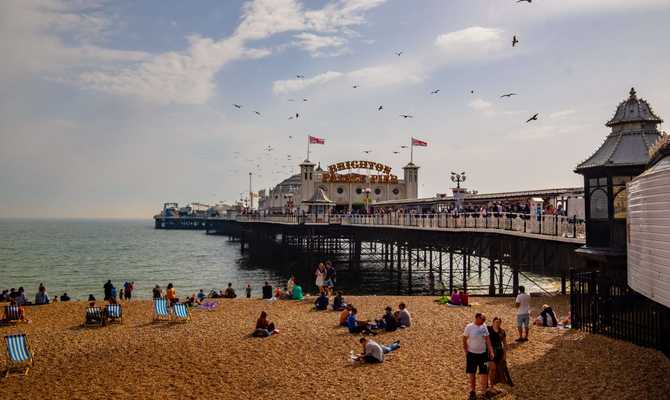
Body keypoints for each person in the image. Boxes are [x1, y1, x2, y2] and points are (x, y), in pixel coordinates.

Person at [463, 313, 495, 400]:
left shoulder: (484, 326)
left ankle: (484, 392)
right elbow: (464, 338)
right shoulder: (469, 327)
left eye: (484, 319)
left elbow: (487, 339)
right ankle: (473, 391)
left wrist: (491, 351)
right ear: (477, 318)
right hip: (472, 354)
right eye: (482, 319)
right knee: (472, 373)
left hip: (483, 354)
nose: (484, 321)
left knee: (484, 373)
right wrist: (466, 350)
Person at [488, 317, 513, 387]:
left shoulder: (502, 331)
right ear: (493, 322)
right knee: (492, 368)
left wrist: (505, 354)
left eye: (499, 322)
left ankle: (492, 384)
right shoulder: (488, 329)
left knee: (498, 368)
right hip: (490, 351)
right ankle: (490, 385)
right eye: (496, 322)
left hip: (499, 352)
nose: (497, 323)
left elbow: (504, 344)